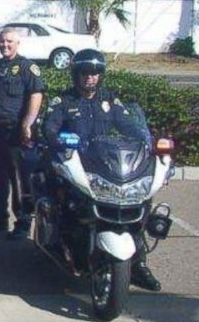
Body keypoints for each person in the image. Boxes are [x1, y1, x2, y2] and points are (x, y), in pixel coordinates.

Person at [40, 49, 161, 291]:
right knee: (63, 198)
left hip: (105, 166)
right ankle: (56, 240)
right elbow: (49, 128)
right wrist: (60, 139)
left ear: (100, 75)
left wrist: (147, 141)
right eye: (85, 72)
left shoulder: (110, 101)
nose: (90, 77)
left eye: (95, 73)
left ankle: (138, 263)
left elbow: (130, 126)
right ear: (76, 74)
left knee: (138, 202)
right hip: (75, 163)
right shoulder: (64, 101)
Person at [0, 27, 45, 240]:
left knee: (19, 179)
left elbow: (36, 96)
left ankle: (23, 222)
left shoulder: (28, 68)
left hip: (17, 133)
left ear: (18, 43)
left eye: (9, 41)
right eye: (2, 41)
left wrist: (28, 123)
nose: (5, 45)